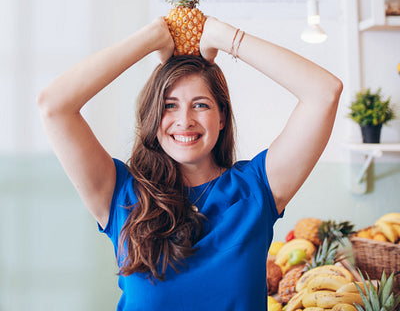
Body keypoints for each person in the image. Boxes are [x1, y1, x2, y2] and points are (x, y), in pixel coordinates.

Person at [37, 16, 342, 311]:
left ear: (221, 117)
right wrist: (152, 37)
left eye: (200, 105)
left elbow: (324, 92)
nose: (185, 121)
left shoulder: (258, 188)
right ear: (153, 117)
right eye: (169, 105)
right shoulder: (120, 194)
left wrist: (223, 36)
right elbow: (54, 105)